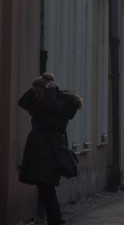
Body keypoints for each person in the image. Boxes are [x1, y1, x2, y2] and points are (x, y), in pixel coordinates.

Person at [18, 73, 84, 225]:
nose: (36, 96)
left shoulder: (62, 103)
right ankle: (53, 219)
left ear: (48, 92)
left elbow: (52, 106)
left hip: (50, 152)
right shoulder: (40, 105)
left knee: (46, 188)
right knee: (44, 188)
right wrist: (39, 84)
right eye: (35, 93)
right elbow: (23, 102)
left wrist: (50, 90)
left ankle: (56, 220)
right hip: (40, 152)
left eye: (38, 92)